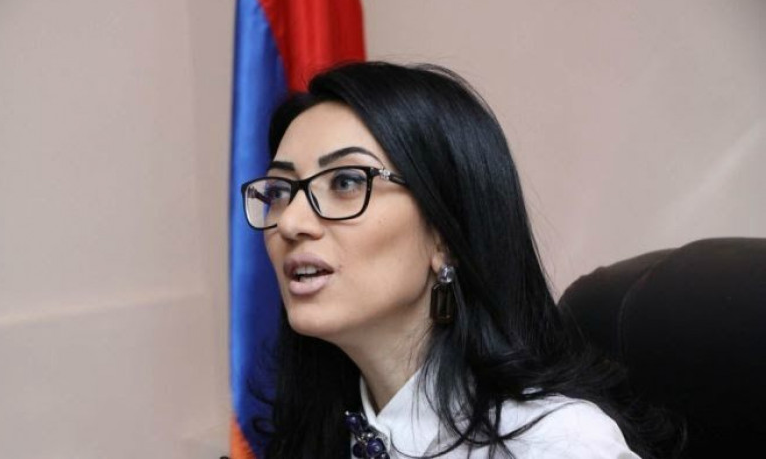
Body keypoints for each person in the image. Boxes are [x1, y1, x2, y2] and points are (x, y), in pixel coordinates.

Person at [241, 62, 680, 458]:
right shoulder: (319, 436)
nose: (290, 222)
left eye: (345, 182)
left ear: (446, 235)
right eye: (279, 191)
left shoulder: (560, 444)